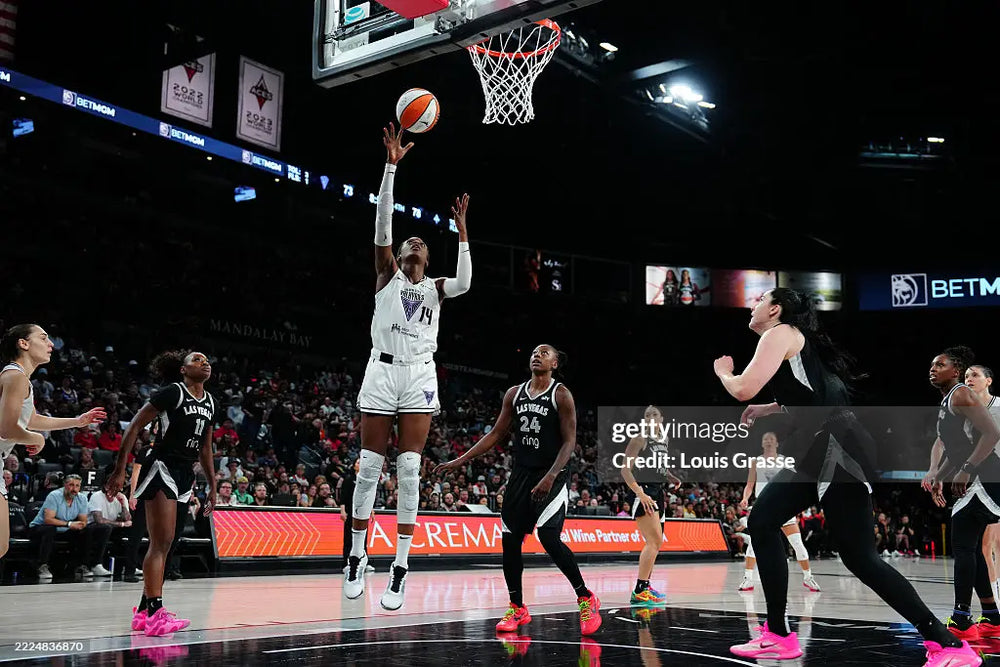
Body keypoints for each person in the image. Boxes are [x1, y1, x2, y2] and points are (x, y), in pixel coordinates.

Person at [713, 289, 978, 665]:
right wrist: (771, 405)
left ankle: (948, 644)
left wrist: (724, 372)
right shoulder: (793, 342)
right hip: (819, 450)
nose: (752, 305)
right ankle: (778, 635)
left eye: (759, 300)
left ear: (774, 309)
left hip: (836, 451)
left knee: (862, 560)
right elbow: (818, 391)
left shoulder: (780, 333)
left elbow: (741, 387)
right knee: (762, 520)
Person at [345, 122, 472, 612]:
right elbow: (382, 223)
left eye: (422, 241)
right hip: (381, 370)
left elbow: (465, 280)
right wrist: (391, 167)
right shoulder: (386, 276)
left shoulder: (437, 287)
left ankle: (400, 565)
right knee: (369, 469)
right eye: (408, 241)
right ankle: (357, 556)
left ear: (426, 255)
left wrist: (462, 232)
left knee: (412, 469)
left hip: (419, 372)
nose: (415, 241)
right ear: (398, 254)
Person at [435, 344, 602, 636]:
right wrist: (461, 460)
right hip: (522, 474)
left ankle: (585, 597)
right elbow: (497, 433)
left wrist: (550, 476)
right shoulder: (514, 393)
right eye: (534, 353)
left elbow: (569, 442)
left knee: (549, 537)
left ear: (555, 363)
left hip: (553, 474)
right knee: (510, 542)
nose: (537, 356)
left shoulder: (561, 394)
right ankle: (517, 607)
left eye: (544, 353)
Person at [106, 350, 217, 637]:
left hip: (184, 473)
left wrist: (213, 485)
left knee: (169, 544)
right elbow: (134, 426)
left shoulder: (210, 402)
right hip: (161, 465)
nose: (205, 363)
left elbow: (205, 447)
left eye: (207, 360)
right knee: (160, 542)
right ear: (183, 369)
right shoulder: (172, 393)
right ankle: (155, 613)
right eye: (197, 359)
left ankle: (144, 612)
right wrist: (120, 469)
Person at [0, 324, 105, 566]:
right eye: (44, 338)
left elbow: (32, 419)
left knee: (2, 544)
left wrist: (77, 421)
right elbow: (7, 428)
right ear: (23, 343)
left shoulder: (20, 378)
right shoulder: (15, 376)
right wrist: (37, 438)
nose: (51, 344)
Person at [921, 352, 1000, 642]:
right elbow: (957, 446)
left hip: (986, 477)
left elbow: (991, 434)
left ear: (956, 370)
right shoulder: (950, 399)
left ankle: (962, 619)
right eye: (931, 364)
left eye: (940, 365)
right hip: (976, 475)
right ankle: (991, 618)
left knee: (964, 546)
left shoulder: (962, 394)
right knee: (972, 548)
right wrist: (940, 475)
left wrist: (967, 469)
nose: (933, 369)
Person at [738, 431, 820, 593]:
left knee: (797, 544)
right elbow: (749, 485)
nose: (768, 441)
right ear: (762, 444)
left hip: (783, 506)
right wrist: (745, 497)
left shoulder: (785, 461)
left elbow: (792, 484)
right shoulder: (755, 462)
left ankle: (808, 577)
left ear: (777, 443)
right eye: (765, 439)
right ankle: (748, 579)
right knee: (754, 545)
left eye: (771, 439)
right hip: (763, 508)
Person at [620, 405, 679, 606]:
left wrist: (669, 475)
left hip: (657, 491)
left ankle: (645, 586)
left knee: (657, 543)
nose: (651, 417)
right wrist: (640, 493)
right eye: (647, 415)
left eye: (654, 414)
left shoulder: (664, 440)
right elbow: (625, 471)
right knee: (653, 541)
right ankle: (639, 590)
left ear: (661, 418)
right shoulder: (639, 439)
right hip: (643, 491)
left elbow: (658, 465)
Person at [965, 365, 1000, 600]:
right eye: (966, 376)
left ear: (988, 381)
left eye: (974, 375)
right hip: (979, 483)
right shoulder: (965, 413)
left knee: (992, 545)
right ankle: (994, 600)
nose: (968, 379)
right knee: (985, 546)